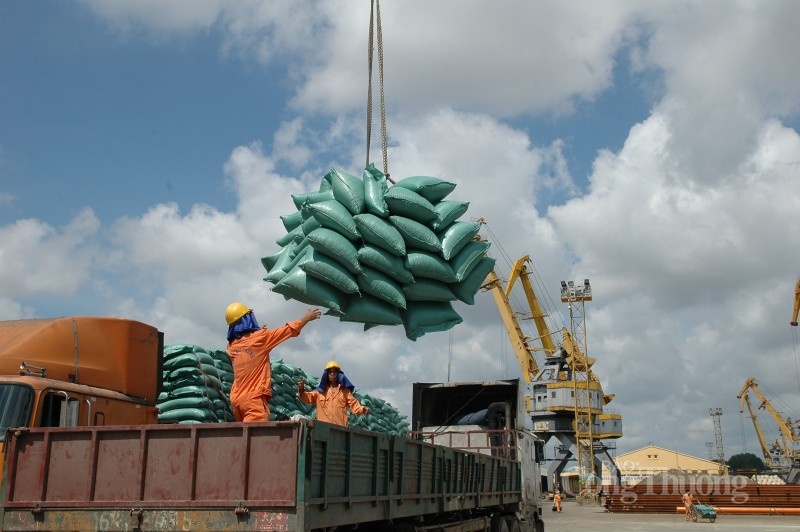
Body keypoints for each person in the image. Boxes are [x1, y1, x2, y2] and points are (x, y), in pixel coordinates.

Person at [226, 301, 321, 422]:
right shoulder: (261, 338)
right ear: (247, 318)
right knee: (255, 439)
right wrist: (306, 318)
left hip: (236, 401)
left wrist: (256, 333)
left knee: (245, 437)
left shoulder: (231, 347)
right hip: (254, 400)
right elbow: (287, 331)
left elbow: (247, 348)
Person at [298, 360, 369, 426]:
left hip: (340, 429)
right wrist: (301, 389)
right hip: (323, 429)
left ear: (338, 374)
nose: (332, 374)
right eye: (330, 372)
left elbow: (353, 404)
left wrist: (362, 409)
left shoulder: (344, 391)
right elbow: (307, 398)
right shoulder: (320, 392)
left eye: (334, 372)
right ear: (326, 375)